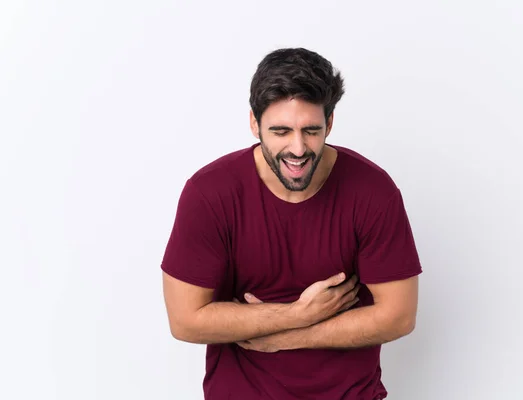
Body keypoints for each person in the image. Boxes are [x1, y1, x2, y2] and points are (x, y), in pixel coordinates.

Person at [160, 47, 422, 400]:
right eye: (281, 131)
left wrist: (291, 335)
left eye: (311, 130)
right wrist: (297, 313)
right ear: (254, 123)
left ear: (329, 123)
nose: (297, 148)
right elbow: (186, 320)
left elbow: (398, 316)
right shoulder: (209, 194)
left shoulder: (373, 191)